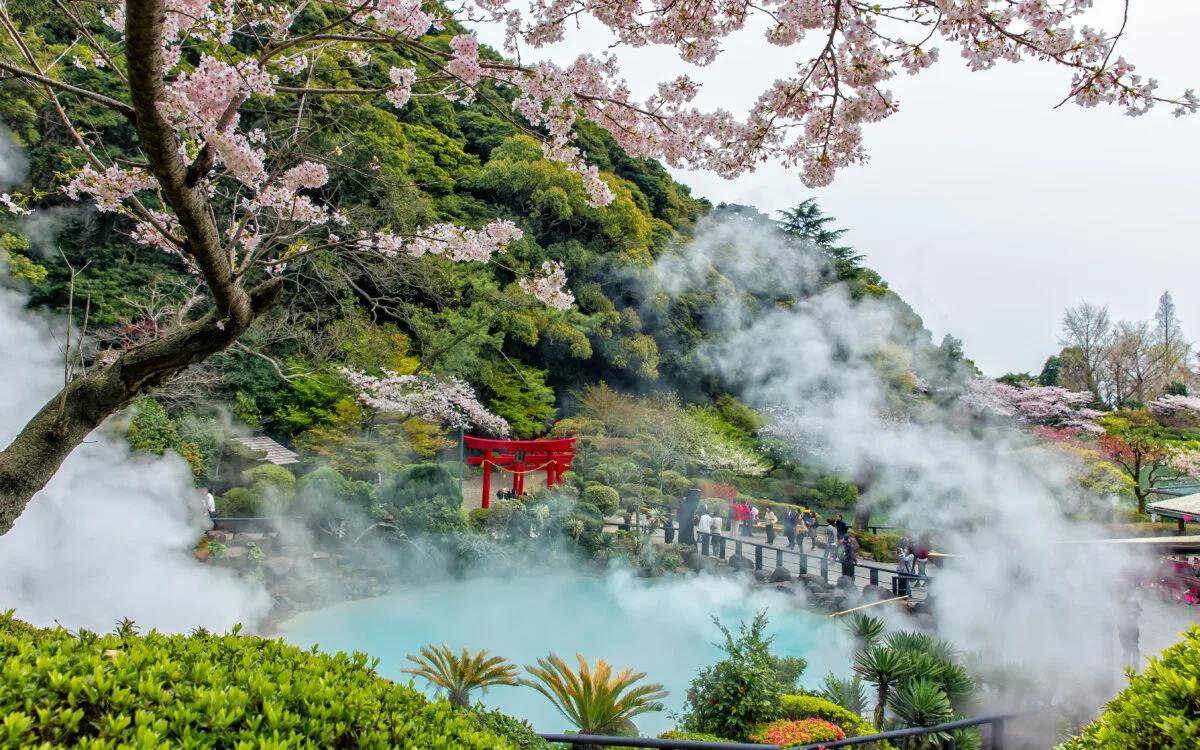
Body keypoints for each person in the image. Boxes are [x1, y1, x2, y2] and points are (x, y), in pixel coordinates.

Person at [1117, 598, 1142, 668]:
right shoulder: (1124, 603)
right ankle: (1129, 665)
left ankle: (1132, 665)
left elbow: (1139, 611)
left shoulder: (1130, 601)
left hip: (1129, 629)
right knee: (1129, 648)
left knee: (1131, 648)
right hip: (1125, 629)